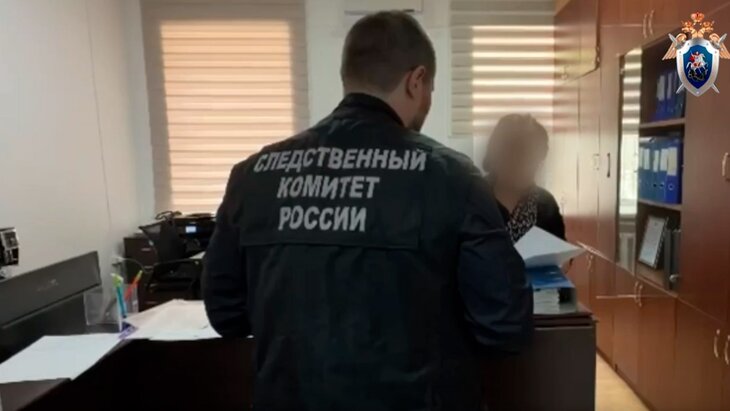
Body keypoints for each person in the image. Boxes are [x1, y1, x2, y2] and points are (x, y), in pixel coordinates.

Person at [203, 11, 532, 411]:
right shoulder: (453, 176)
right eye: (430, 90)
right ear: (416, 81)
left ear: (348, 77)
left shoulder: (253, 176)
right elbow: (504, 327)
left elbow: (226, 314)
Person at [482, 114, 566, 243]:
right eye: (522, 157)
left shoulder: (546, 204)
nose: (530, 167)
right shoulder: (474, 199)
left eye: (536, 159)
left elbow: (559, 249)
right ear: (498, 154)